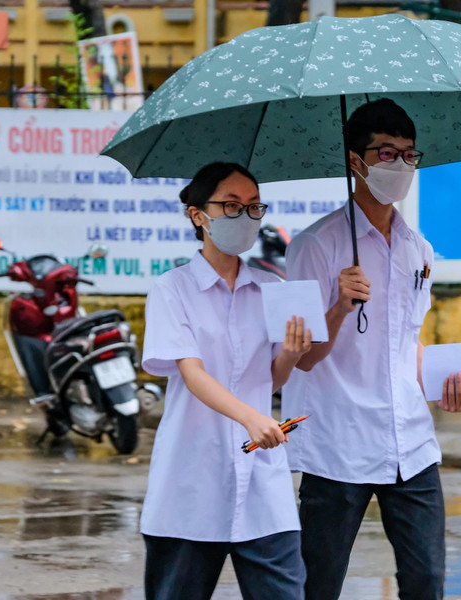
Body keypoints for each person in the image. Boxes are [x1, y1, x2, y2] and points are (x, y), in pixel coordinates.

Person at [283, 98, 461, 600]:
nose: (401, 165)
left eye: (409, 155)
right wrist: (339, 307)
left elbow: (406, 343)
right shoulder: (314, 246)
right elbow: (302, 358)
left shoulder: (418, 249)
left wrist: (445, 386)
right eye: (387, 153)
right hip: (336, 442)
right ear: (356, 161)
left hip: (410, 442)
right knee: (318, 583)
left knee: (426, 580)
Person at [141, 162, 312, 600]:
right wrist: (251, 418)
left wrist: (291, 352)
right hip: (192, 476)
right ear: (198, 215)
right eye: (232, 206)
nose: (245, 217)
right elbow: (192, 374)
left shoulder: (271, 287)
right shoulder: (172, 289)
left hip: (262, 478)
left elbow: (270, 378)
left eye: (254, 207)